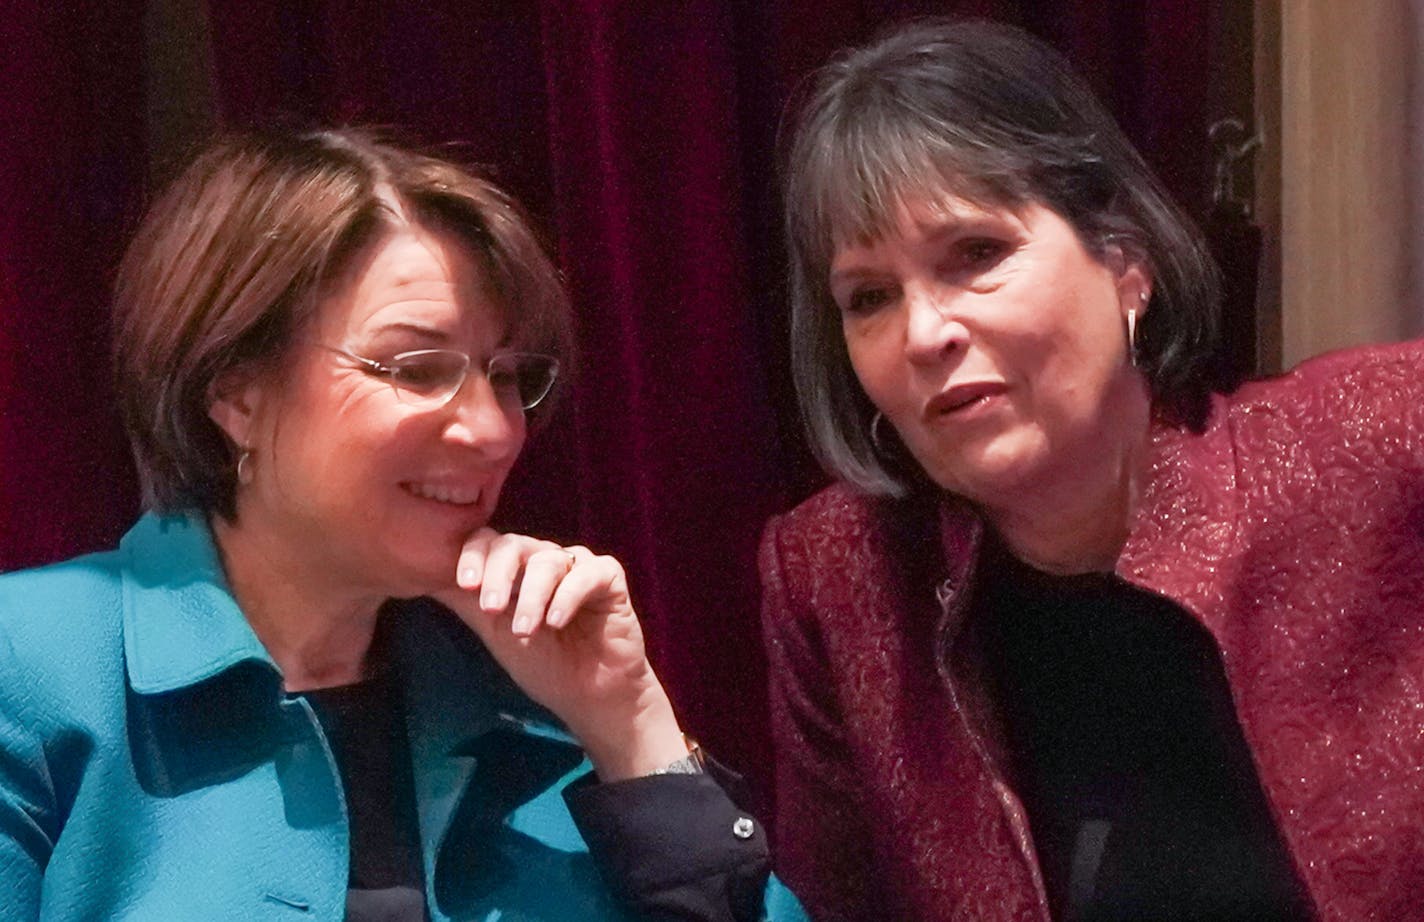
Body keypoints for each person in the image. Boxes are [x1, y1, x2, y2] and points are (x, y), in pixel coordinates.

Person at [0, 129, 803, 922]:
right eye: (417, 370)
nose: (495, 431)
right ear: (236, 392)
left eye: (506, 376)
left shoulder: (519, 687)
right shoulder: (34, 666)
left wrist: (629, 726)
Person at [761, 17, 1424, 922]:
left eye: (977, 255)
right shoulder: (843, 582)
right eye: (870, 297)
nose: (924, 335)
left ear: (1126, 263)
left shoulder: (1376, 448)